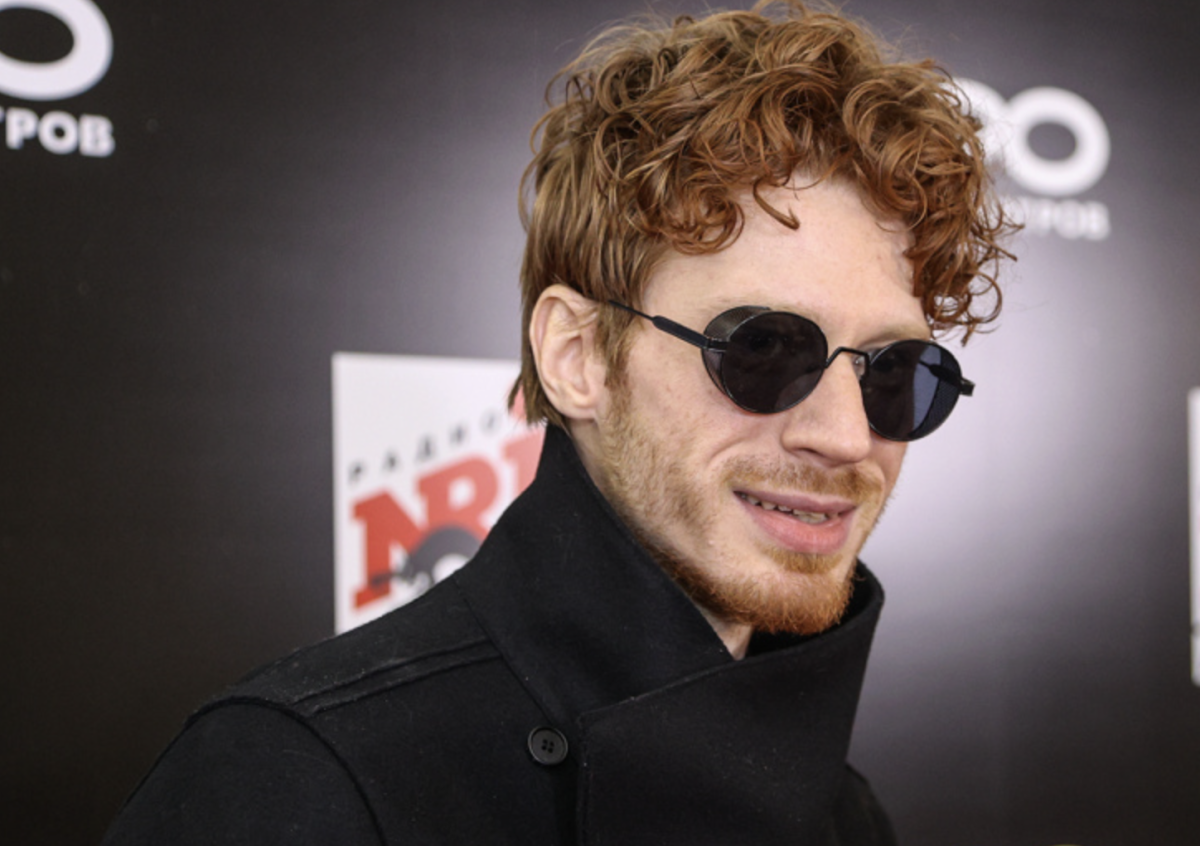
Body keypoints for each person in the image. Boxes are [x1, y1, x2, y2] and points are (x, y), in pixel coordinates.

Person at [103, 2, 1012, 843]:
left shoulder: (844, 815)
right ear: (577, 356)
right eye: (764, 350)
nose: (845, 437)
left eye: (897, 372)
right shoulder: (297, 778)